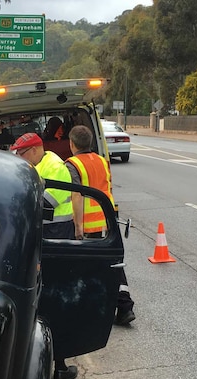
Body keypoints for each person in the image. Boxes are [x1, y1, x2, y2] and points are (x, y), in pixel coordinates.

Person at [10, 131, 80, 379]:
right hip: (47, 240)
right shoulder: (38, 166)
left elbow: (43, 206)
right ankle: (51, 366)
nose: (20, 158)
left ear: (36, 149)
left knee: (53, 299)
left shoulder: (55, 167)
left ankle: (58, 367)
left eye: (23, 153)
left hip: (57, 240)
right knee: (43, 299)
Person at [65, 125, 136, 326]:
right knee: (112, 263)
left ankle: (92, 309)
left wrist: (77, 226)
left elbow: (76, 195)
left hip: (88, 225)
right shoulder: (102, 161)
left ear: (71, 144)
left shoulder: (72, 164)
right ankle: (124, 307)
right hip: (107, 220)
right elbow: (108, 187)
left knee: (88, 267)